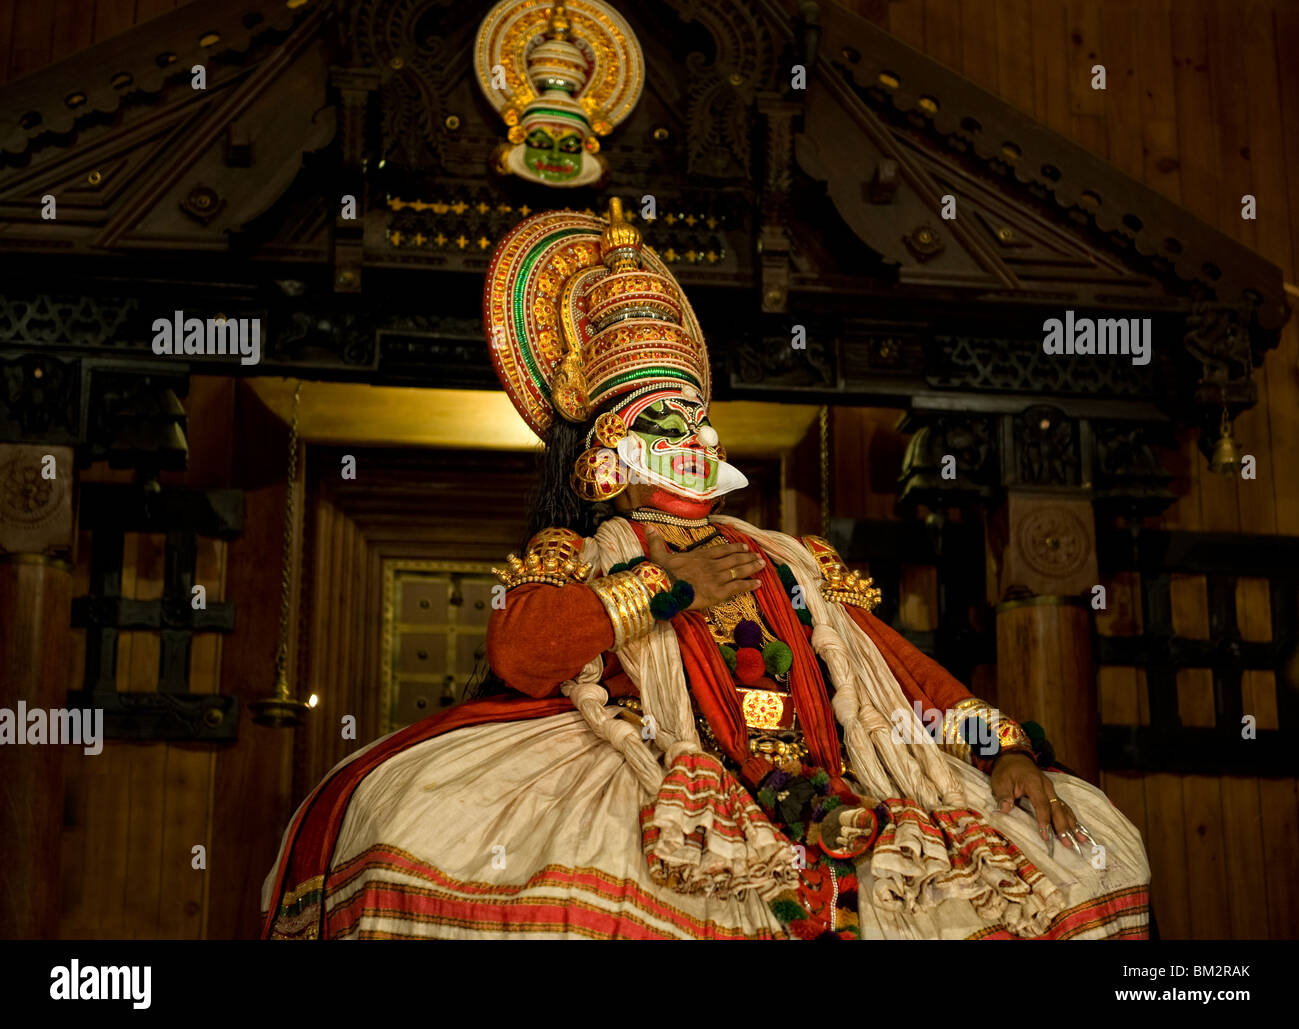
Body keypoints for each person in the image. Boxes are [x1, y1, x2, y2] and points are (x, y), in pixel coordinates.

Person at [261, 199, 1150, 939]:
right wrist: (664, 587)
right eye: (660, 425)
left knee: (1085, 841)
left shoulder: (792, 561)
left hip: (837, 794)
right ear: (602, 462)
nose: (689, 442)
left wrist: (1006, 749)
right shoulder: (580, 554)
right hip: (664, 797)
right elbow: (525, 653)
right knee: (421, 821)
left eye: (694, 421)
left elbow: (903, 683)